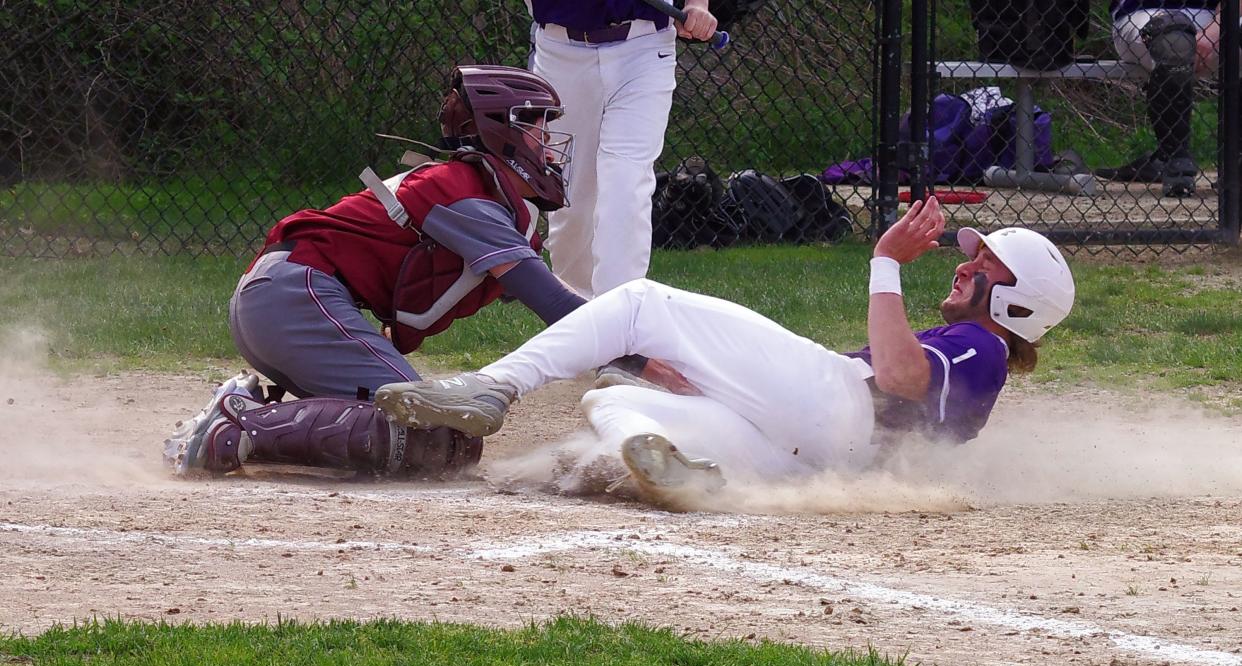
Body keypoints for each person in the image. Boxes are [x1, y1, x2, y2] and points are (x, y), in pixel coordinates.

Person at [371, 197, 1077, 509]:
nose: (965, 265)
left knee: (643, 302)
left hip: (838, 404)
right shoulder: (976, 353)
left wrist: (885, 261)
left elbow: (893, 376)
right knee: (608, 398)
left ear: (1019, 304)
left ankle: (493, 386)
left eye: (985, 265)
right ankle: (676, 472)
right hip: (815, 452)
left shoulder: (981, 348)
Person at [163, 65, 586, 479]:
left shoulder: (481, 197)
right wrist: (639, 351)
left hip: (282, 297)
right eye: (540, 130)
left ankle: (253, 424)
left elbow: (545, 287)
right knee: (426, 431)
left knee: (444, 442)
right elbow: (552, 303)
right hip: (296, 295)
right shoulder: (468, 196)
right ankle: (237, 425)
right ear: (502, 131)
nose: (549, 147)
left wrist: (623, 327)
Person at [526, 0, 719, 297]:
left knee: (625, 182)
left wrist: (697, 4)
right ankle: (576, 314)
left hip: (643, 48)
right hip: (560, 49)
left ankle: (621, 317)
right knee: (571, 197)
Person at [1095, 0, 1223, 197]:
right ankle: (1175, 160)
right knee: (1174, 39)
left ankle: (1234, 163)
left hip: (1217, 17)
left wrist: (1219, 24)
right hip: (1145, 13)